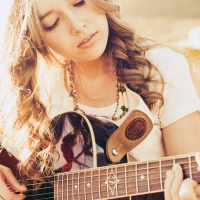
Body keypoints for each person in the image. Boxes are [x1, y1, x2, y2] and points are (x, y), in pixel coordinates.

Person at [0, 0, 200, 199]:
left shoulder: (161, 69)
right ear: (37, 40)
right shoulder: (35, 92)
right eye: (52, 23)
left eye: (79, 2)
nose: (77, 26)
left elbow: (193, 175)